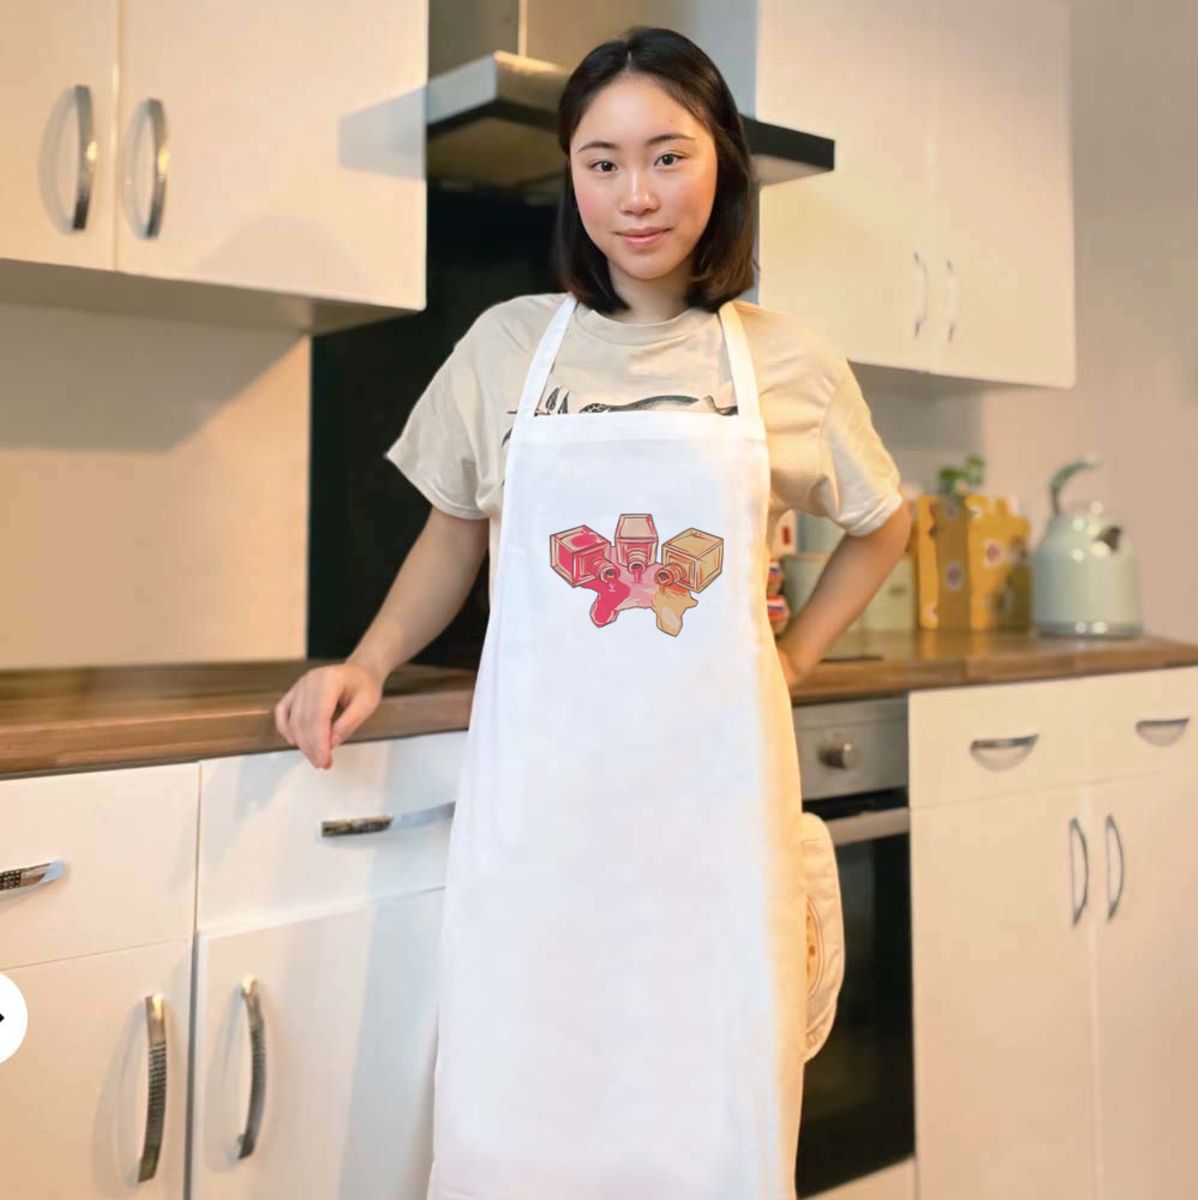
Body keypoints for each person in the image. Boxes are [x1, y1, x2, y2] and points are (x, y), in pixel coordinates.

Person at [275, 25, 911, 1200]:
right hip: (545, 823)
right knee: (524, 1126)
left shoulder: (788, 362)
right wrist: (365, 662)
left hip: (715, 826)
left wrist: (790, 663)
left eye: (668, 156)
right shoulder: (509, 346)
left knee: (711, 1134)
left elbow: (885, 522)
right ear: (571, 176)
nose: (636, 195)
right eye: (602, 162)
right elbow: (454, 532)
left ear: (722, 164)